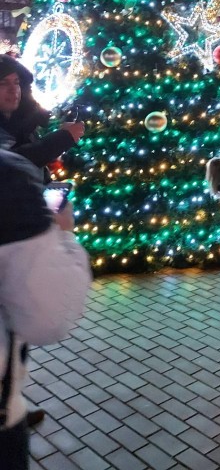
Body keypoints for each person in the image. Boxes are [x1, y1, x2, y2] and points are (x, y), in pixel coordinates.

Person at [0, 54, 85, 429]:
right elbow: (17, 162)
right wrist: (64, 138)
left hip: (22, 233)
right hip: (15, 237)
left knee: (16, 327)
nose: (12, 90)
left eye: (16, 83)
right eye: (3, 84)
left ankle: (14, 393)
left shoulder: (20, 123)